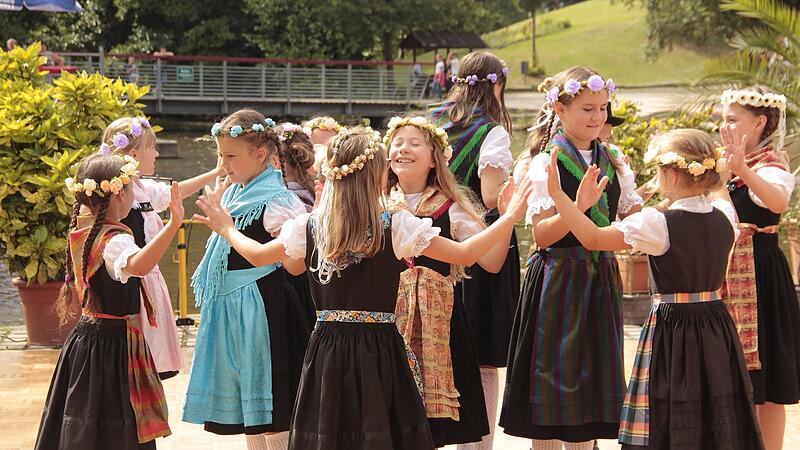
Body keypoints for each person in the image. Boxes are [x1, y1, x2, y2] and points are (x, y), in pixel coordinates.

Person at [192, 126, 534, 450]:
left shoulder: (310, 226)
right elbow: (465, 253)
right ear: (376, 174)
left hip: (327, 347)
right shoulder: (395, 225)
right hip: (380, 346)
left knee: (334, 430)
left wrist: (226, 227)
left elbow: (259, 255)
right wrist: (508, 217)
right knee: (379, 430)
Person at [500, 66, 643, 450]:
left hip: (599, 278)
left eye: (602, 108)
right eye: (587, 108)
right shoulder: (545, 162)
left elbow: (630, 217)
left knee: (592, 392)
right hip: (558, 281)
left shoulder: (614, 159)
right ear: (560, 111)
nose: (597, 117)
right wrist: (576, 207)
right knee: (552, 385)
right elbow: (542, 235)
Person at [182, 110, 312, 450]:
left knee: (273, 407)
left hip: (263, 308)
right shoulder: (235, 195)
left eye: (230, 156)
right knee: (250, 414)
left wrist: (229, 228)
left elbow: (297, 266)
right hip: (235, 309)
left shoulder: (278, 201)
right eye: (220, 155)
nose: (223, 165)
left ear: (260, 155)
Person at [385, 115, 517, 447]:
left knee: (435, 425)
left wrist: (504, 215)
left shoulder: (451, 206)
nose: (404, 149)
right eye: (398, 142)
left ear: (435, 158)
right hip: (386, 322)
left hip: (440, 326)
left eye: (415, 143)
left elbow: (490, 259)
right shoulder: (376, 202)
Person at [35, 152, 182, 449]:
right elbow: (139, 266)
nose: (134, 195)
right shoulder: (114, 240)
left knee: (89, 420)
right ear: (118, 193)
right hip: (110, 346)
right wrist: (173, 224)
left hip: (89, 341)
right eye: (131, 188)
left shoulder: (89, 232)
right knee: (114, 424)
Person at [428, 50, 517, 450]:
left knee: (434, 344)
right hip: (482, 243)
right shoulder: (493, 134)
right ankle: (478, 446)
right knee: (481, 357)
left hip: (430, 239)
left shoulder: (434, 123)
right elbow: (490, 196)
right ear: (497, 84)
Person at [101, 116, 223, 379]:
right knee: (135, 362)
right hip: (132, 285)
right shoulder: (119, 197)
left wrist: (215, 174)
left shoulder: (141, 188)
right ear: (134, 154)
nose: (156, 153)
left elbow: (173, 193)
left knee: (151, 365)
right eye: (151, 148)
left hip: (149, 282)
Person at [720, 86, 800, 450]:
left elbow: (778, 201)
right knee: (730, 379)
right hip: (726, 274)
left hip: (761, 275)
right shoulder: (728, 166)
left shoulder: (772, 165)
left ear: (760, 122)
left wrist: (741, 171)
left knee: (769, 383)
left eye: (732, 120)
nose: (724, 126)